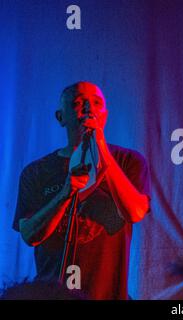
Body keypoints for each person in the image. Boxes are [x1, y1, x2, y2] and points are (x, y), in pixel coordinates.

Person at [13, 81, 151, 299]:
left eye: (96, 103)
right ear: (61, 117)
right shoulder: (37, 172)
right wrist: (65, 193)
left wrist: (101, 148)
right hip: (54, 294)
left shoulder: (129, 161)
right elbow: (30, 234)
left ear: (105, 114)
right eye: (78, 103)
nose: (89, 108)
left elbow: (135, 211)